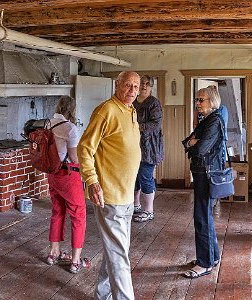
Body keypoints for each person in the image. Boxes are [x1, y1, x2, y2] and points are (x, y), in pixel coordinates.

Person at [78, 71, 141, 299]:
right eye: (128, 85)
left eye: (136, 86)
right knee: (119, 256)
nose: (132, 90)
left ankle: (102, 295)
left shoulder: (131, 111)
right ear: (117, 85)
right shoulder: (106, 110)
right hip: (109, 195)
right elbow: (85, 148)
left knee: (116, 251)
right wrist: (92, 181)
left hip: (127, 196)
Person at [182, 86, 225, 279]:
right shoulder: (206, 120)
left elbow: (199, 149)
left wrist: (194, 143)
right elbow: (187, 142)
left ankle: (205, 262)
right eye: (197, 100)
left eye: (201, 100)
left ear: (212, 101)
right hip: (201, 173)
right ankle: (212, 256)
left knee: (202, 217)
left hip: (206, 174)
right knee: (204, 215)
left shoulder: (214, 121)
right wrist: (193, 142)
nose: (198, 104)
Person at [46, 95, 90, 274]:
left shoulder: (48, 123)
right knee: (78, 215)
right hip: (67, 174)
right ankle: (75, 261)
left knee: (57, 212)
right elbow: (74, 158)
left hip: (52, 173)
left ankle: (53, 252)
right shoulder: (70, 128)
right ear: (71, 110)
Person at [132, 75, 164, 222]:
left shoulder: (154, 103)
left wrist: (138, 127)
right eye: (141, 84)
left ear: (151, 87)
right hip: (133, 145)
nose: (144, 86)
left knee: (145, 176)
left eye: (147, 84)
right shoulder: (132, 101)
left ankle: (149, 210)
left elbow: (155, 124)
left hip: (149, 146)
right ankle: (136, 205)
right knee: (135, 177)